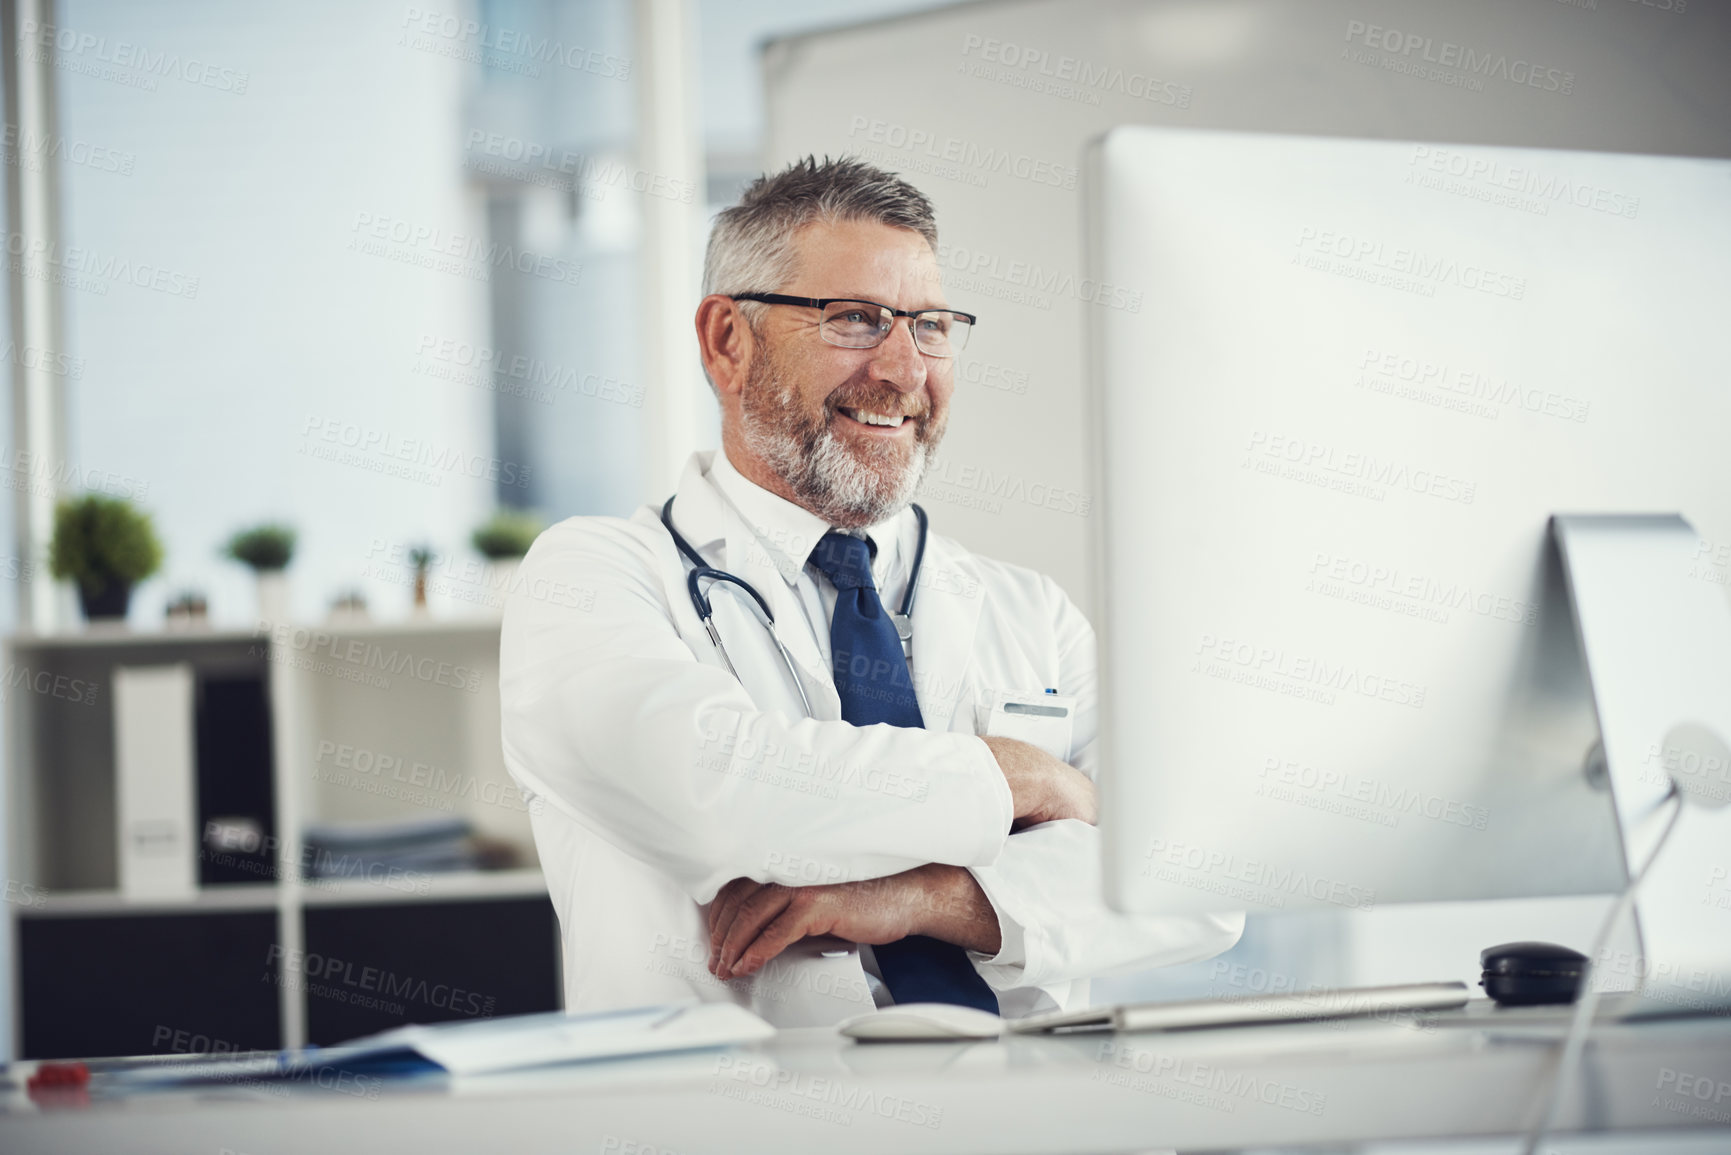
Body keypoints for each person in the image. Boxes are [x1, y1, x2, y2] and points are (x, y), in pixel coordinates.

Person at [500, 156, 1242, 1026]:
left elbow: (1193, 879)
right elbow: (716, 794)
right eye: (854, 319)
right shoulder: (593, 577)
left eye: (929, 325)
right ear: (726, 342)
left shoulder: (1027, 609)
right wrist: (1013, 777)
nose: (902, 368)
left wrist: (932, 898)